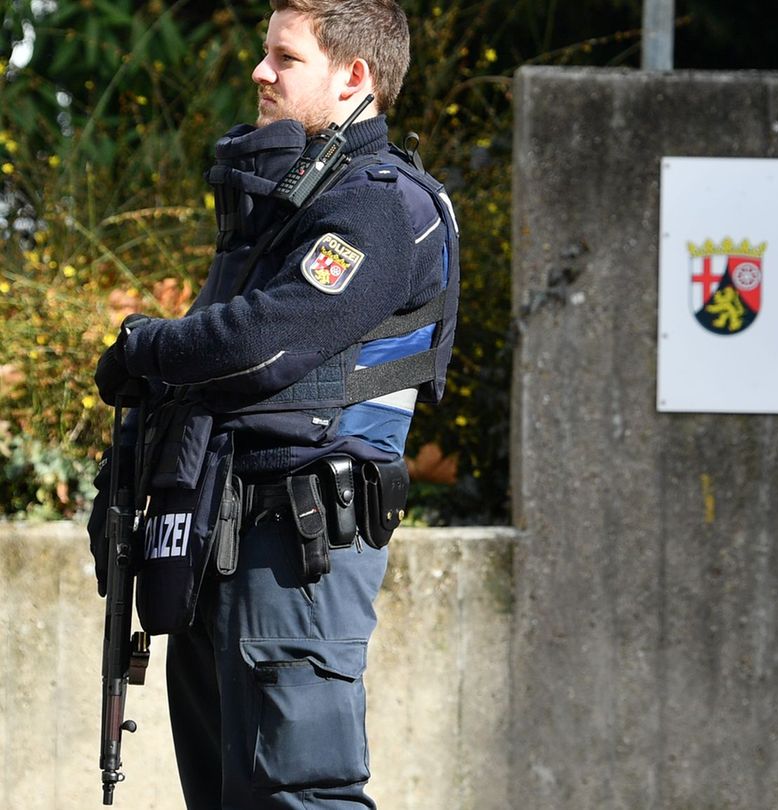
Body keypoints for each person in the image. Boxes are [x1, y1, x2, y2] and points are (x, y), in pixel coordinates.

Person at [89, 0, 459, 806]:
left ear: (354, 75)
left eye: (284, 59)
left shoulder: (380, 205)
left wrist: (144, 344)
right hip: (222, 540)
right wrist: (126, 480)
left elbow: (261, 345)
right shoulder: (285, 208)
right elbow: (208, 377)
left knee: (302, 796)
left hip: (298, 551)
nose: (259, 72)